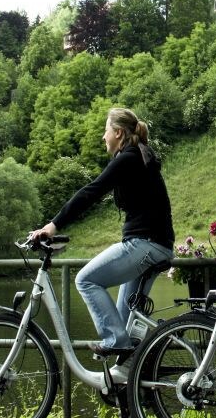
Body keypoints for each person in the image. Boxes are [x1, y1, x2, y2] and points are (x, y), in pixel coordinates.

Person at [32, 107, 174, 358]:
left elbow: (91, 192)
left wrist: (52, 225)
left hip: (145, 245)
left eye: (106, 130)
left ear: (118, 132)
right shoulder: (140, 156)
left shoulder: (129, 158)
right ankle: (133, 382)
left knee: (85, 280)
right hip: (156, 245)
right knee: (123, 324)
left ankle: (116, 341)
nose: (103, 136)